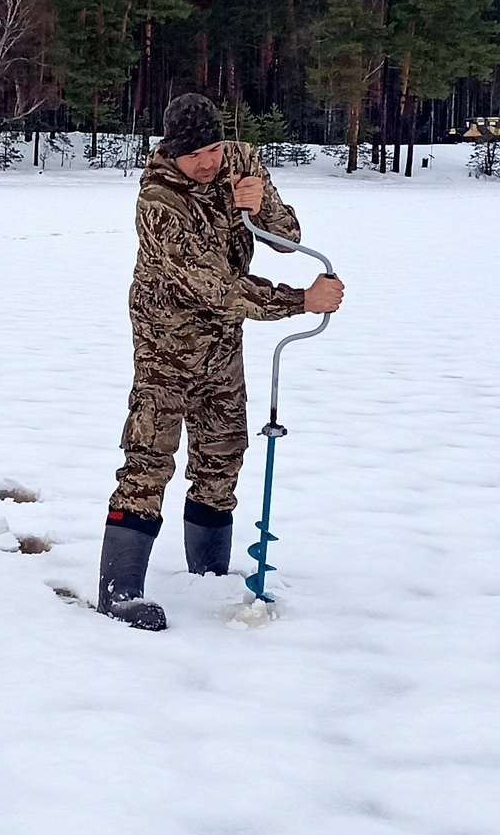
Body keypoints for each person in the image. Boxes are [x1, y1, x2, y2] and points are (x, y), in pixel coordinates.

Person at [99, 93, 344, 630]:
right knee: (149, 460)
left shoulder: (241, 162)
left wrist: (261, 208)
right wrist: (300, 301)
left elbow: (288, 237)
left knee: (222, 456)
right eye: (195, 156)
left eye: (213, 148)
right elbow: (214, 286)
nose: (208, 162)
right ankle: (118, 591)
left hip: (223, 344)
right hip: (166, 342)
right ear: (171, 151)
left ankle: (206, 579)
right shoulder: (159, 202)